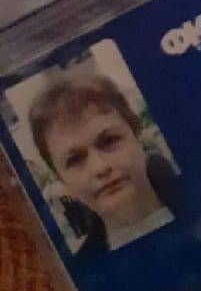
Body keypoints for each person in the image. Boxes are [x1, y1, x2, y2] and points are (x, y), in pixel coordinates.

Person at [28, 72, 182, 259]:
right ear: (62, 181)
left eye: (109, 141)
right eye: (74, 160)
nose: (100, 167)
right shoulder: (81, 274)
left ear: (137, 136)